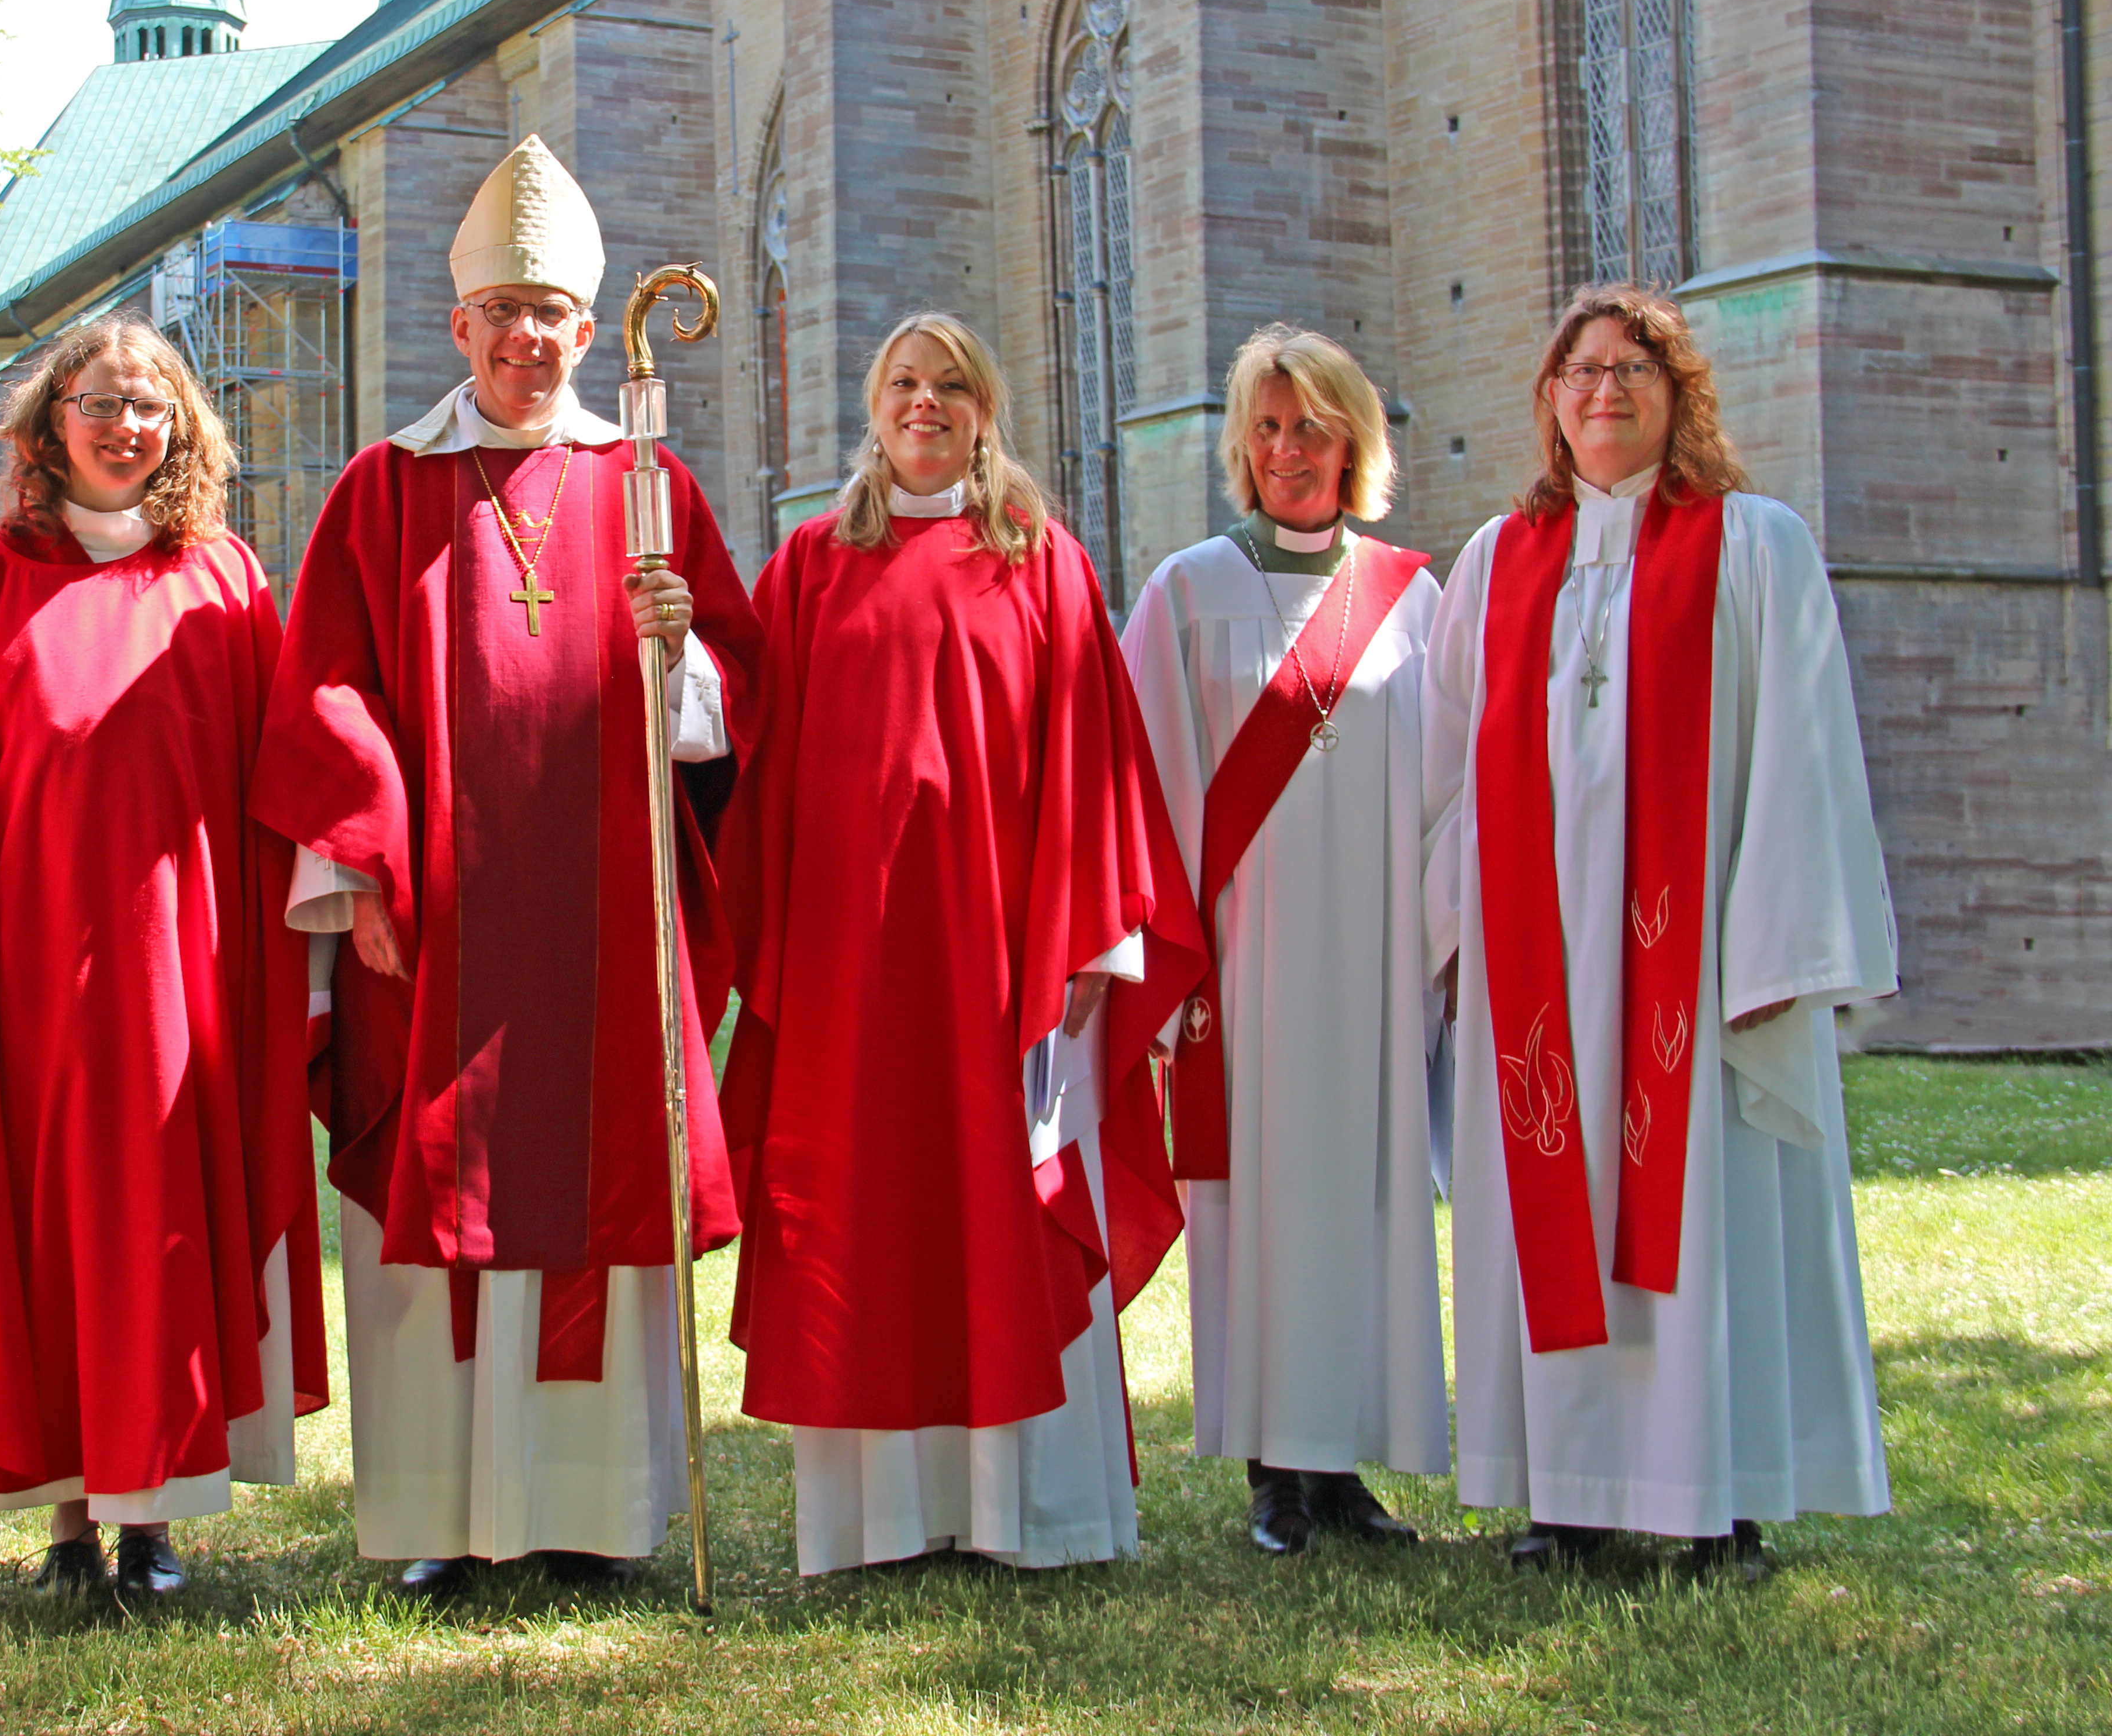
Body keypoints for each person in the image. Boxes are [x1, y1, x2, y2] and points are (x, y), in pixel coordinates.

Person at [252, 136, 764, 1592]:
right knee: (440, 1187)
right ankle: (444, 1520)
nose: (528, 338)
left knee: (599, 1180)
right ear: (459, 326)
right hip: (443, 921)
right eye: (504, 313)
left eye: (553, 314)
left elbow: (730, 703)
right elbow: (329, 694)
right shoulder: (381, 493)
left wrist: (682, 658)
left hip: (605, 917)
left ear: (588, 334)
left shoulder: (648, 488)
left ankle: (596, 1515)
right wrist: (361, 879)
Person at [1423, 282, 1898, 1579]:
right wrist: (1448, 933)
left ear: (1678, 391)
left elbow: (1804, 756)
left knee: (1699, 1220)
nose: (1604, 390)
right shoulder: (1494, 563)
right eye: (1578, 371)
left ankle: (1714, 1499)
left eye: (1633, 367)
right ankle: (1561, 1496)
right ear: (1550, 404)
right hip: (1536, 961)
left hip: (1690, 963)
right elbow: (1444, 773)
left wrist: (1777, 950)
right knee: (1545, 1206)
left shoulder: (1753, 545)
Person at [718, 313, 1200, 1575]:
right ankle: (877, 1521)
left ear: (986, 411)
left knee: (1000, 1204)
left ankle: (1024, 1513)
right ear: (871, 409)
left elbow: (1096, 761)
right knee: (866, 1204)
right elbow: (748, 752)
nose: (923, 405)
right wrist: (673, 655)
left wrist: (1096, 942)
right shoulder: (812, 566)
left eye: (949, 387)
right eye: (902, 385)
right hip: (850, 970)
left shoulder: (1042, 562)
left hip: (1002, 960)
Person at [0, 315, 326, 1599]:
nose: (127, 426)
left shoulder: (227, 581)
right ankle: (70, 1520)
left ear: (182, 431)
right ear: (47, 425)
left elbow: (277, 775)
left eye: (152, 408)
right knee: (54, 1225)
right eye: (99, 403)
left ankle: (157, 1519)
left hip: (187, 968)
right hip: (35, 970)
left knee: (167, 1230)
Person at [1118, 324, 1448, 1556]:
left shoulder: (1414, 597)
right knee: (1257, 1202)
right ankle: (1272, 1469)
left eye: (1311, 426)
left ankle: (1346, 1462)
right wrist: (1168, 966)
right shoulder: (1189, 588)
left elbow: (1449, 786)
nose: (1289, 451)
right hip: (1242, 963)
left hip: (1370, 957)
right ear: (1240, 452)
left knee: (1361, 1200)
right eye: (1266, 429)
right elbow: (1141, 785)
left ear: (1354, 438)